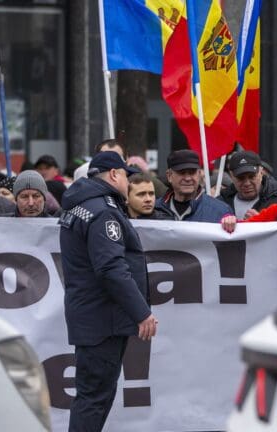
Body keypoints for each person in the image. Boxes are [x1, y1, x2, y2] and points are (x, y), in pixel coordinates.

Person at [59, 151, 157, 431]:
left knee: (94, 395)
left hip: (95, 316)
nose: (128, 181)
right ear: (114, 175)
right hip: (103, 320)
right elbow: (111, 268)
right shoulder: (104, 211)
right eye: (126, 175)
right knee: (94, 398)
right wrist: (141, 312)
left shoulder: (82, 205)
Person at [155, 150, 233, 222]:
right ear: (169, 176)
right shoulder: (154, 209)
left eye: (192, 172)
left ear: (199, 174)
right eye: (181, 172)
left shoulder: (220, 211)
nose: (188, 178)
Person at [218, 150, 277, 220]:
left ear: (261, 172)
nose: (247, 183)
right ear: (231, 176)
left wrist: (261, 220)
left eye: (252, 176)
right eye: (241, 178)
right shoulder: (220, 203)